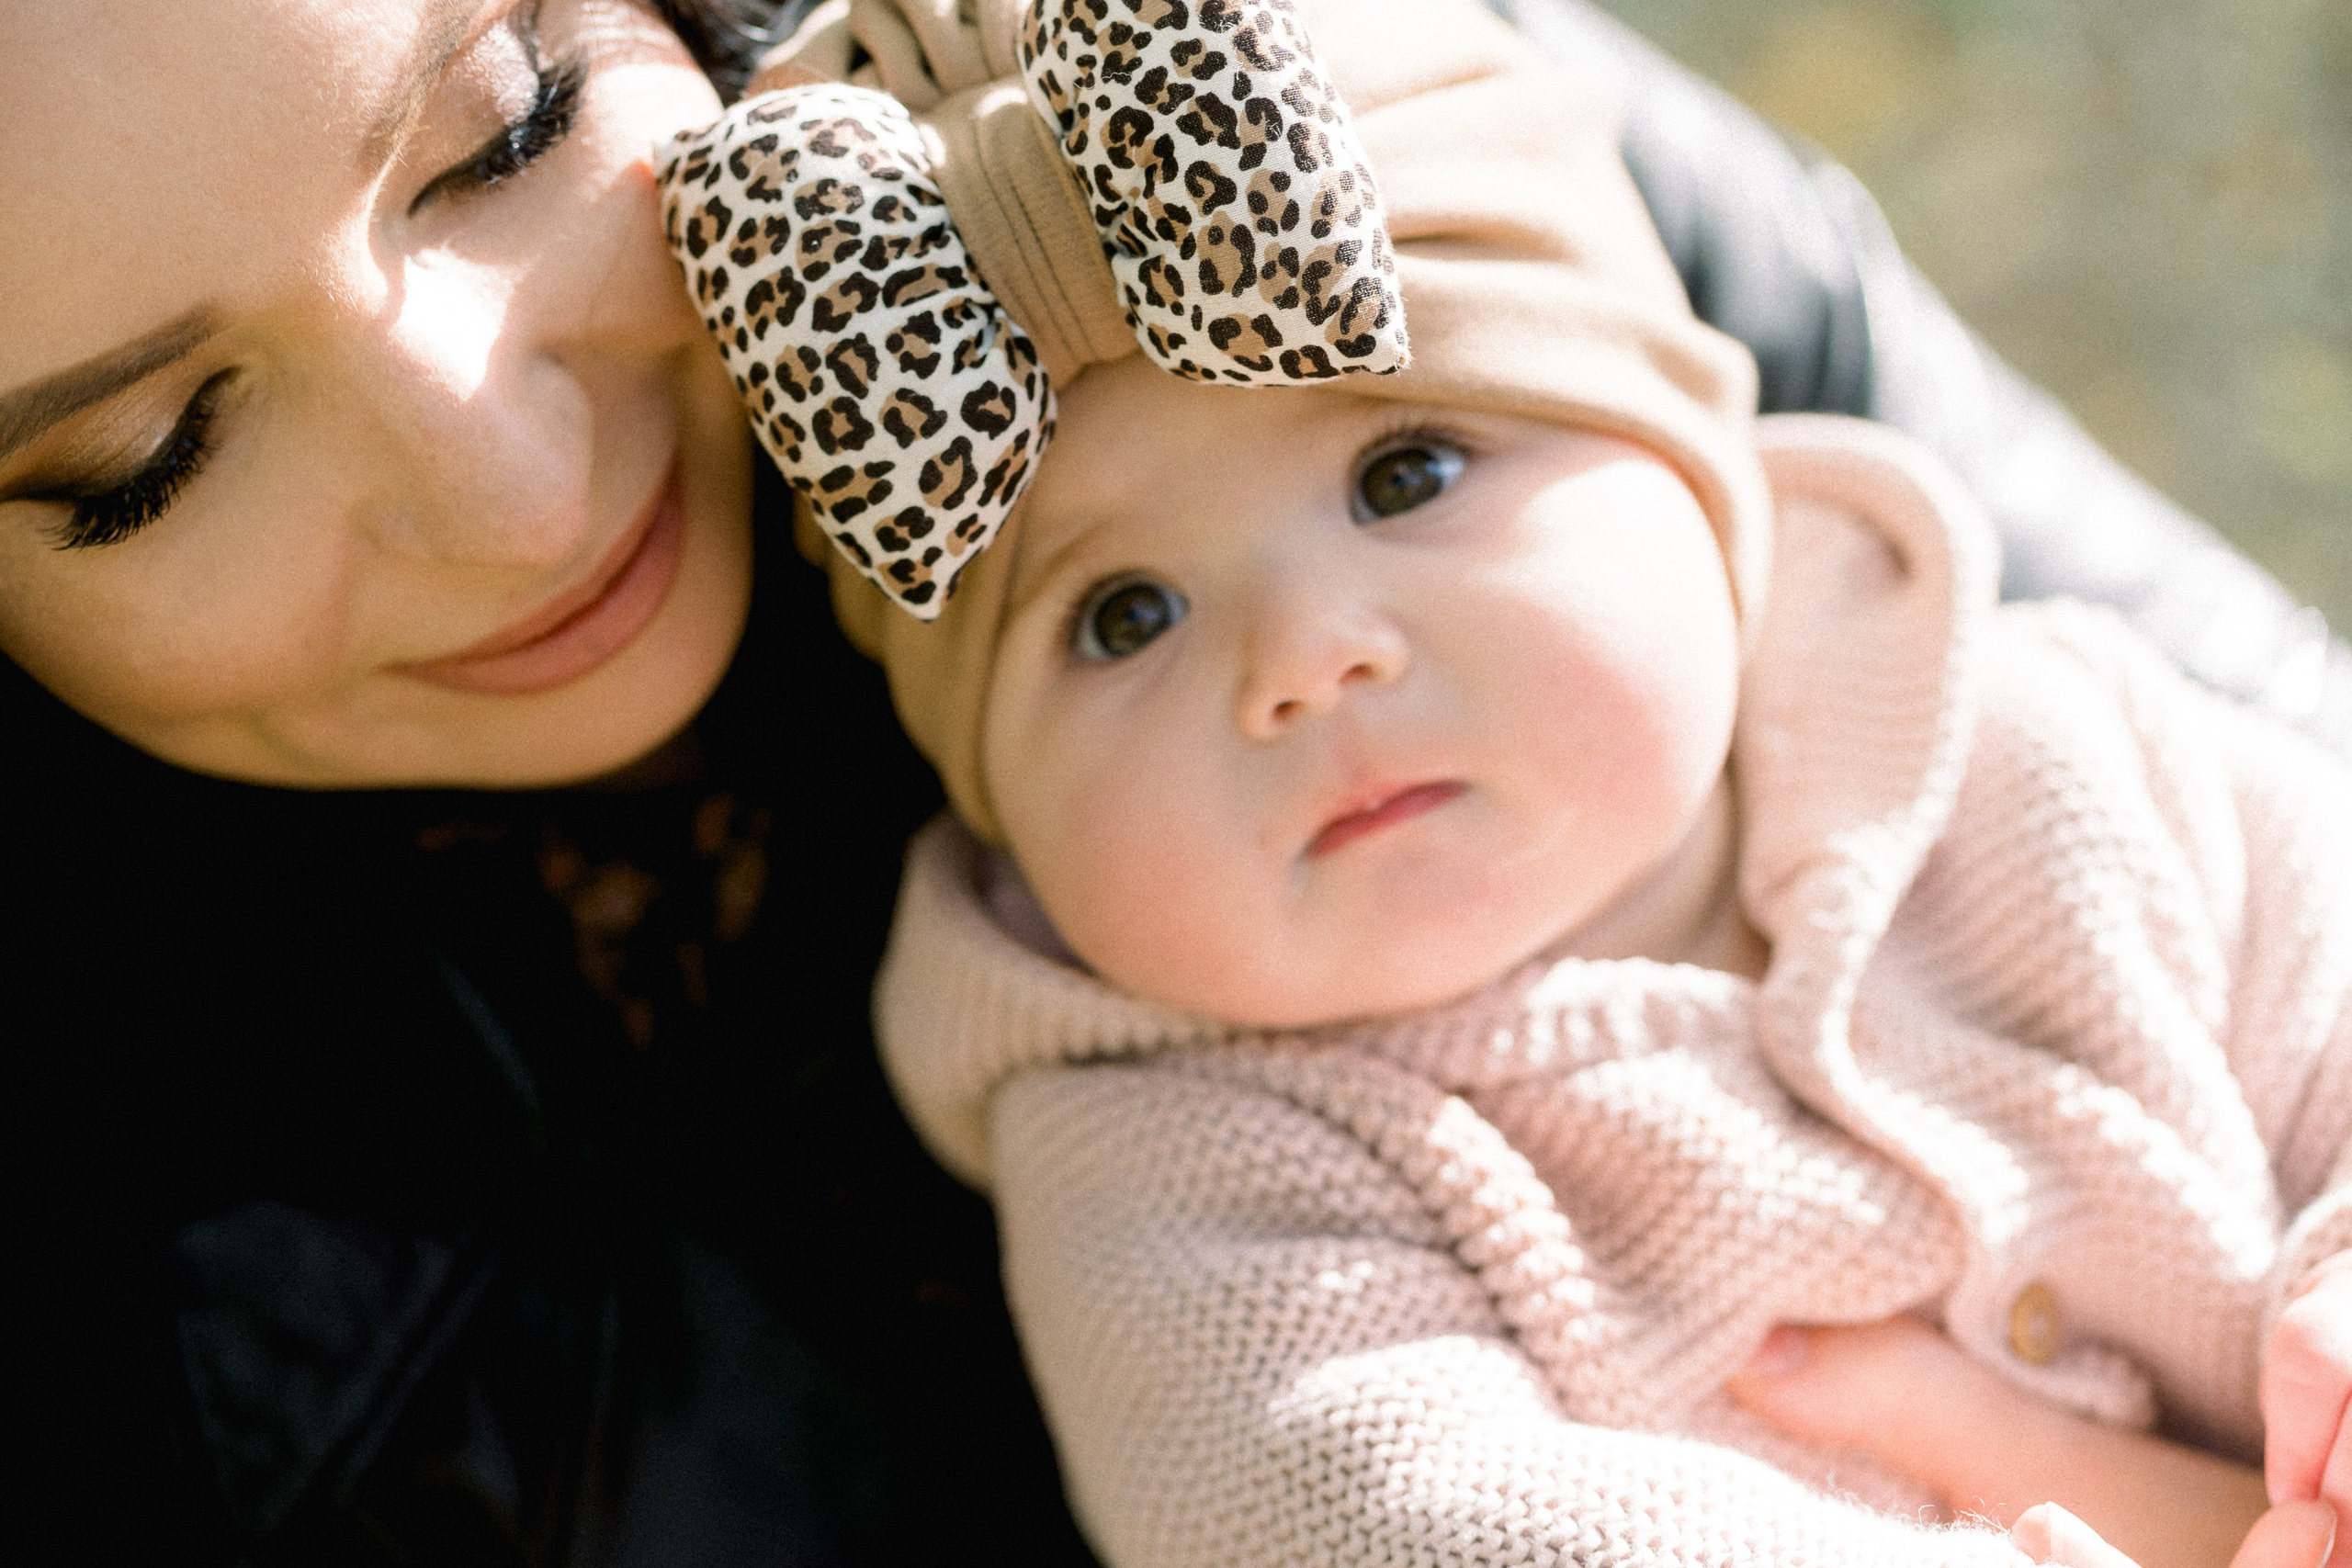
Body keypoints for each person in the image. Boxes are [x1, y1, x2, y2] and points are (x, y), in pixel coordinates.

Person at [0, 2, 2338, 1566]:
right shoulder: (1181, 1139)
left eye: (508, 129)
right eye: (138, 459)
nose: (510, 490)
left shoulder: (1298, 94)